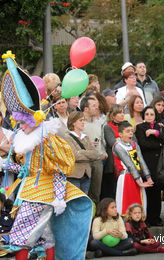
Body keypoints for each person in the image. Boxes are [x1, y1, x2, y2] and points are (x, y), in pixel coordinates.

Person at [1, 52, 92, 260]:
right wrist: (4, 165)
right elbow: (26, 170)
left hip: (42, 193)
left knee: (21, 237)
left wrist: (59, 198)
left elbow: (59, 170)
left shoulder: (46, 142)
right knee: (44, 236)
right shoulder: (28, 143)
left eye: (22, 122)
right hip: (30, 192)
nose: (19, 126)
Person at [113, 121, 153, 215]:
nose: (131, 133)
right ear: (120, 134)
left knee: (139, 204)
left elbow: (141, 161)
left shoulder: (134, 144)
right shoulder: (118, 146)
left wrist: (148, 177)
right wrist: (139, 181)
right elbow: (129, 164)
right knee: (126, 205)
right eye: (127, 131)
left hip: (136, 177)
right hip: (126, 178)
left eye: (131, 131)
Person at [135, 106, 164, 226]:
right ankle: (146, 219)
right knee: (147, 191)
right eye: (147, 114)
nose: (149, 116)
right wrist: (158, 144)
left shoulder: (159, 127)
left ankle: (156, 218)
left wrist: (155, 133)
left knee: (157, 192)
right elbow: (143, 144)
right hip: (147, 163)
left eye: (151, 114)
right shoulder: (140, 127)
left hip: (158, 164)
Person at [64, 111, 101, 194]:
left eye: (83, 120)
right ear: (73, 122)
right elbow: (75, 156)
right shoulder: (67, 137)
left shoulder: (85, 137)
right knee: (75, 201)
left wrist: (82, 152)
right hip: (74, 174)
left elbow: (96, 154)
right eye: (81, 120)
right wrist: (88, 154)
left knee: (85, 201)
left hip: (86, 174)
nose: (83, 122)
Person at [80, 96, 107, 203]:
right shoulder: (79, 123)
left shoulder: (98, 123)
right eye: (94, 106)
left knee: (96, 193)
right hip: (85, 161)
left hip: (97, 161)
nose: (97, 107)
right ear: (86, 109)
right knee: (84, 192)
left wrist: (104, 153)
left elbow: (101, 141)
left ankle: (94, 218)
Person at [101, 105, 125, 199]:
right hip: (112, 162)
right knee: (113, 190)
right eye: (119, 113)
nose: (122, 115)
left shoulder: (126, 125)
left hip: (125, 161)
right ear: (113, 115)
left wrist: (119, 139)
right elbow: (112, 143)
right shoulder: (108, 127)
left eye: (123, 112)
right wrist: (124, 140)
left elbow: (134, 141)